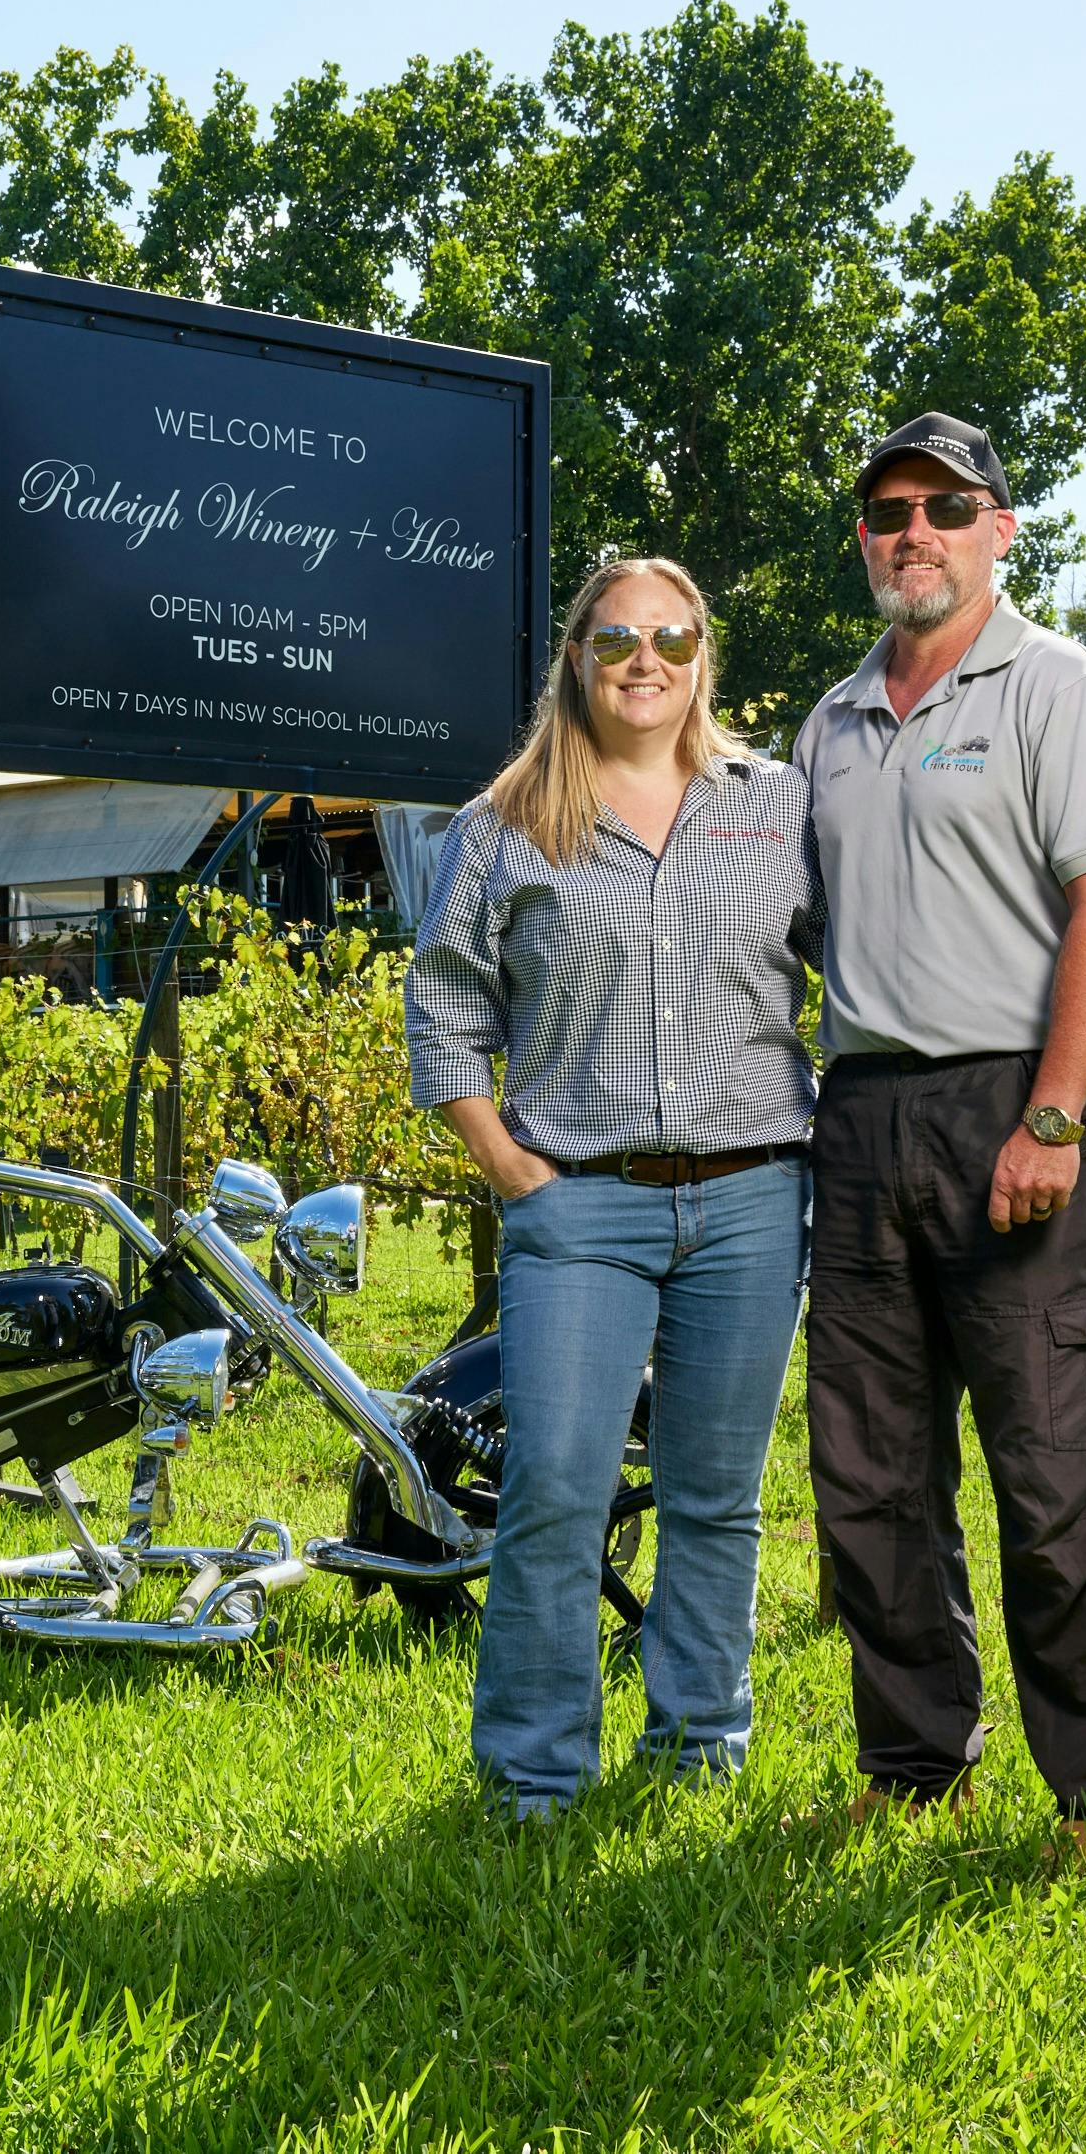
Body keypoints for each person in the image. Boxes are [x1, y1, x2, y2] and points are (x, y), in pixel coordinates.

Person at [791, 410, 1086, 1843]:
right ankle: (914, 1767)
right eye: (890, 510)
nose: (916, 531)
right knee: (869, 1472)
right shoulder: (828, 723)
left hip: (1015, 1106)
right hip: (861, 1116)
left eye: (946, 507)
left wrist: (1055, 1116)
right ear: (864, 537)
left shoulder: (1062, 690)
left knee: (1050, 1465)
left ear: (999, 530)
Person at [406, 555, 819, 1814]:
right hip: (578, 1204)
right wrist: (509, 1166)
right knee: (555, 1489)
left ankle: (698, 1749)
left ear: (702, 657)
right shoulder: (504, 823)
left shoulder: (777, 806)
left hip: (752, 1200)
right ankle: (533, 1776)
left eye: (672, 638)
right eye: (617, 638)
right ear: (576, 658)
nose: (647, 660)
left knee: (714, 1495)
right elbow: (443, 1007)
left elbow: (861, 962)